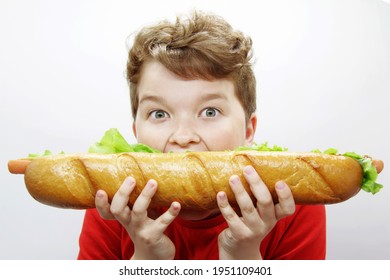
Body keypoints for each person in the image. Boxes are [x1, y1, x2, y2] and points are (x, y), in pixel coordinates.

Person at [78, 10, 326, 260]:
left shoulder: (293, 204)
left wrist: (243, 259)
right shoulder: (112, 204)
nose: (183, 137)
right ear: (136, 133)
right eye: (159, 114)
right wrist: (146, 261)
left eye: (210, 111)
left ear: (248, 130)